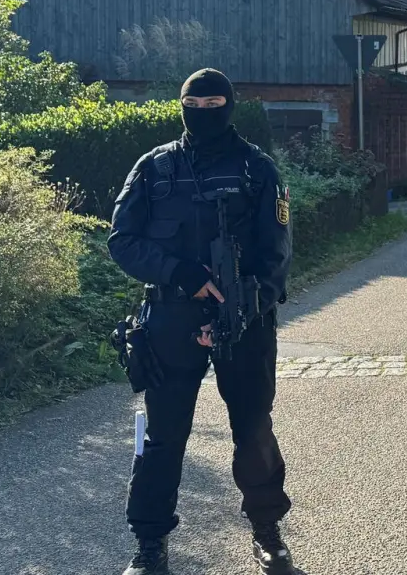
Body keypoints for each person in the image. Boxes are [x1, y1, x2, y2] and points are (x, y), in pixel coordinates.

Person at [108, 69, 299, 575]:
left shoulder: (257, 170)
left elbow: (277, 256)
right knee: (164, 435)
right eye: (194, 104)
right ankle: (150, 543)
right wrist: (180, 273)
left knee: (253, 429)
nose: (204, 112)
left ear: (229, 106)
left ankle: (267, 533)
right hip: (171, 317)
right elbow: (122, 241)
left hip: (244, 317)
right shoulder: (154, 168)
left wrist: (246, 306)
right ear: (181, 106)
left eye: (214, 104)